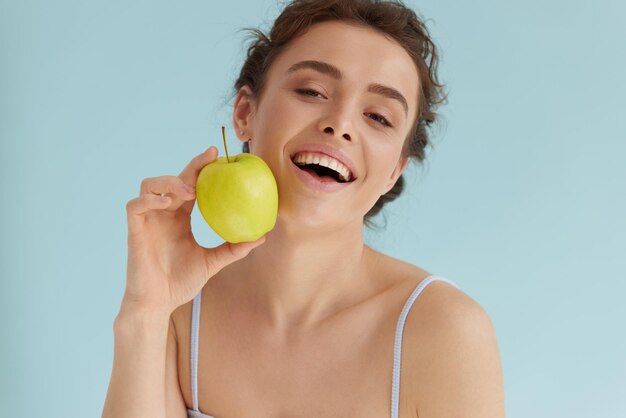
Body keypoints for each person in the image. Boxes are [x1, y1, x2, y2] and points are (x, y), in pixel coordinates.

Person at [102, 0, 505, 417]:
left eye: (379, 117)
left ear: (394, 171)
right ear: (245, 113)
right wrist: (145, 314)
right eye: (312, 92)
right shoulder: (180, 308)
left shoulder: (443, 332)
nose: (340, 124)